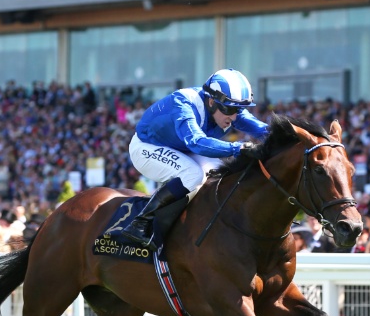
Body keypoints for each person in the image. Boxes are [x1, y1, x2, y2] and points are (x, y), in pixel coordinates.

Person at [115, 69, 269, 251]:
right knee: (193, 175)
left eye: (239, 110)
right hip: (146, 147)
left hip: (180, 148)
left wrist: (291, 136)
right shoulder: (184, 104)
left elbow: (264, 130)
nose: (234, 117)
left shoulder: (224, 105)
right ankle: (140, 223)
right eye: (230, 110)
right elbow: (196, 143)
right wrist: (237, 148)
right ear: (211, 102)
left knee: (227, 171)